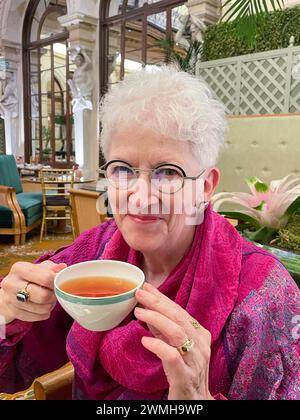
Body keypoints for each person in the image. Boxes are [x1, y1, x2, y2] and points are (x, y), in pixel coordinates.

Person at [0, 67, 299, 400]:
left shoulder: (263, 296)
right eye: (123, 169)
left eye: (168, 173)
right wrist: (7, 313)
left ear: (205, 186)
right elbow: (11, 372)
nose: (140, 198)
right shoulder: (92, 252)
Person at [67, 49, 93, 113]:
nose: (78, 61)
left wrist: (84, 53)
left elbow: (89, 62)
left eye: (79, 60)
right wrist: (71, 83)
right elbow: (74, 82)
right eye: (77, 60)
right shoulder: (75, 71)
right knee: (76, 108)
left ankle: (86, 103)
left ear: (81, 61)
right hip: (78, 91)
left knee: (86, 104)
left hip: (84, 89)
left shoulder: (82, 68)